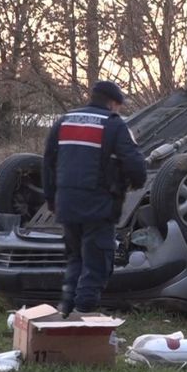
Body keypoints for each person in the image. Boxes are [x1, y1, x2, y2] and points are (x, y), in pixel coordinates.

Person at [43, 81, 146, 316]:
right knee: (97, 263)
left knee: (75, 260)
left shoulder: (65, 120)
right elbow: (135, 164)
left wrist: (52, 199)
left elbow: (48, 163)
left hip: (66, 205)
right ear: (112, 103)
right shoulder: (114, 124)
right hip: (98, 206)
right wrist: (135, 183)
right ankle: (83, 315)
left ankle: (65, 312)